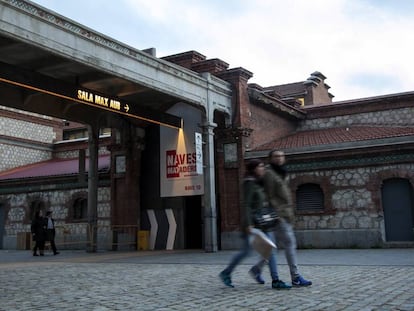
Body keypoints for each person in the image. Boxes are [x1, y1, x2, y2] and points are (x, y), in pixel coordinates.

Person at [250, 150, 312, 288]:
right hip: (279, 214)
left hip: (284, 213)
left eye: (281, 156)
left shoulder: (281, 172)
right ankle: (295, 277)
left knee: (273, 247)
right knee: (290, 244)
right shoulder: (270, 174)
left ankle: (256, 269)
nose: (279, 158)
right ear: (270, 159)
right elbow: (268, 195)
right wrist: (274, 212)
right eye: (276, 156)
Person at [219, 159, 267, 288]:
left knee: (268, 249)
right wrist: (248, 224)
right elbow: (246, 204)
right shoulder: (249, 183)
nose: (263, 168)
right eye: (260, 166)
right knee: (247, 251)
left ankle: (256, 270)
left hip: (259, 223)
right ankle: (226, 273)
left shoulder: (258, 183)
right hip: (251, 223)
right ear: (253, 169)